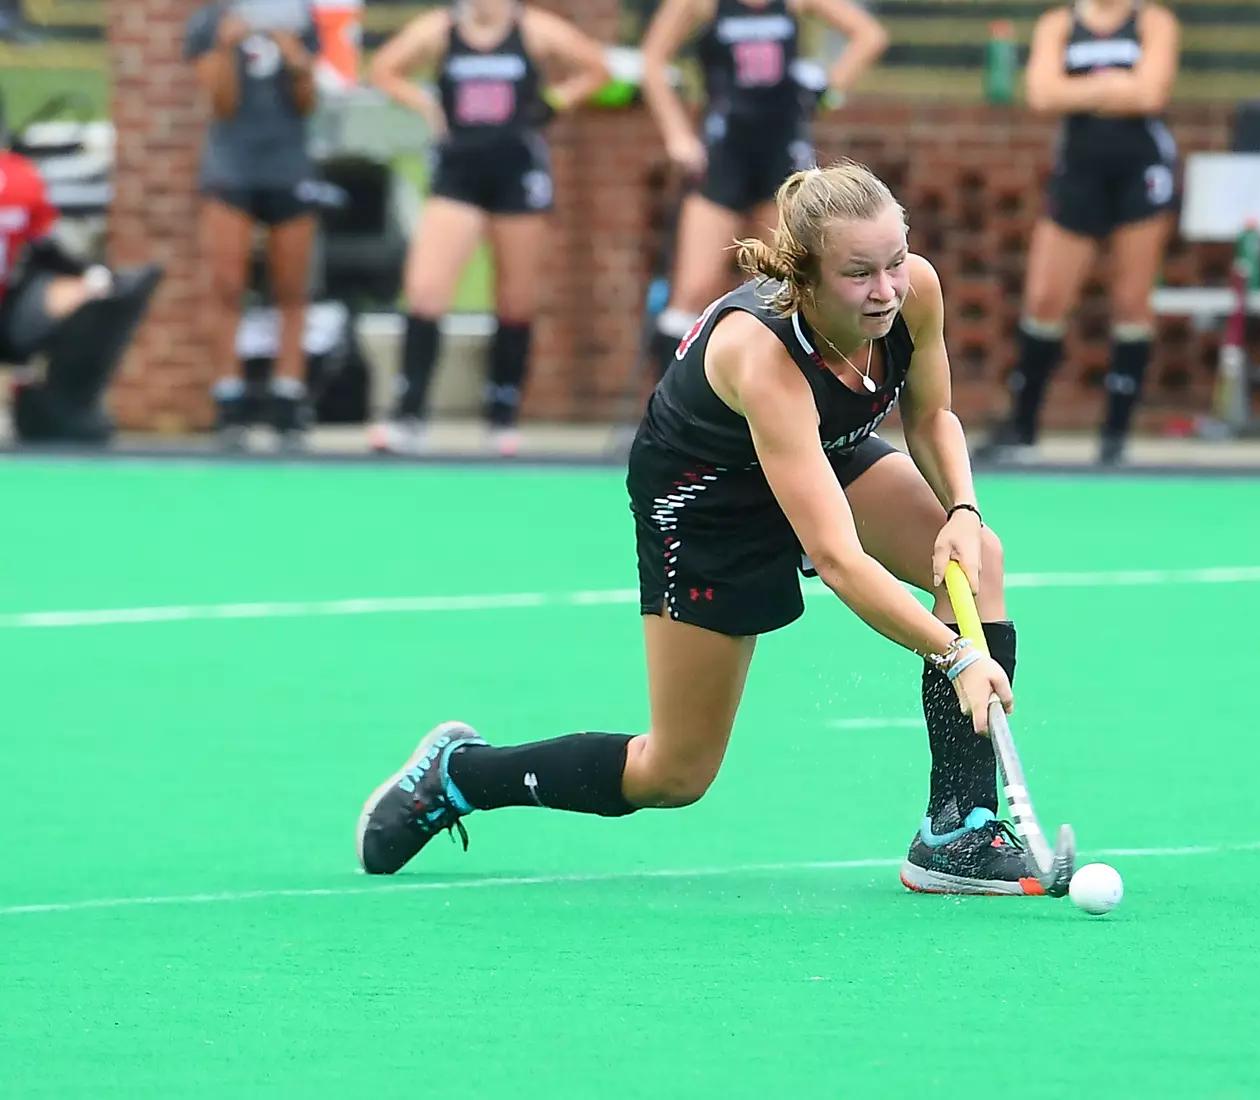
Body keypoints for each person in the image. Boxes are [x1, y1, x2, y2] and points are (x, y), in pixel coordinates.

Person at [359, 162, 1048, 897]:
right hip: (707, 498)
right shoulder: (761, 354)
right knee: (676, 772)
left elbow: (933, 415)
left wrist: (964, 512)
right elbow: (837, 559)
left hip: (824, 451)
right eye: (858, 275)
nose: (884, 291)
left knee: (980, 561)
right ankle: (461, 775)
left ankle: (956, 831)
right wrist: (955, 655)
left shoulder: (915, 289)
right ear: (805, 276)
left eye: (893, 264)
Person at [367, 0, 610, 456]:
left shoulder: (534, 30)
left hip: (516, 174)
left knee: (516, 296)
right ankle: (409, 412)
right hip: (458, 173)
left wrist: (553, 102)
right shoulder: (440, 30)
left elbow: (596, 68)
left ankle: (501, 412)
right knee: (425, 289)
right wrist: (424, 102)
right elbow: (383, 68)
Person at [972, 0, 1180, 467]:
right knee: (1046, 298)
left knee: (1131, 300)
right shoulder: (1059, 24)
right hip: (1079, 172)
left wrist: (1080, 89)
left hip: (1141, 170)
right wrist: (1115, 84)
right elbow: (1043, 94)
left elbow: (1151, 93)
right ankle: (1023, 427)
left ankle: (1115, 433)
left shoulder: (1152, 21)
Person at [637, 0, 887, 384]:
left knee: (785, 284)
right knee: (694, 287)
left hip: (781, 154)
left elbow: (869, 36)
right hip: (725, 152)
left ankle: (792, 400)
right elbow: (653, 59)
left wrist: (828, 90)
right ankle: (671, 406)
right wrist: (677, 135)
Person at [184, 0, 324, 452]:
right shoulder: (210, 21)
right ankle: (229, 397)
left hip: (288, 167)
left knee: (292, 289)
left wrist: (298, 61)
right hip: (232, 169)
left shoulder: (299, 17)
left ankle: (288, 394)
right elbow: (220, 104)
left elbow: (307, 104)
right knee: (227, 286)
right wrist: (226, 48)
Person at [0, 116, 163, 443]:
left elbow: (44, 246)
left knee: (102, 289)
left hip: (8, 309)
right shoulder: (20, 175)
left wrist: (88, 275)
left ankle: (58, 406)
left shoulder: (18, 178)